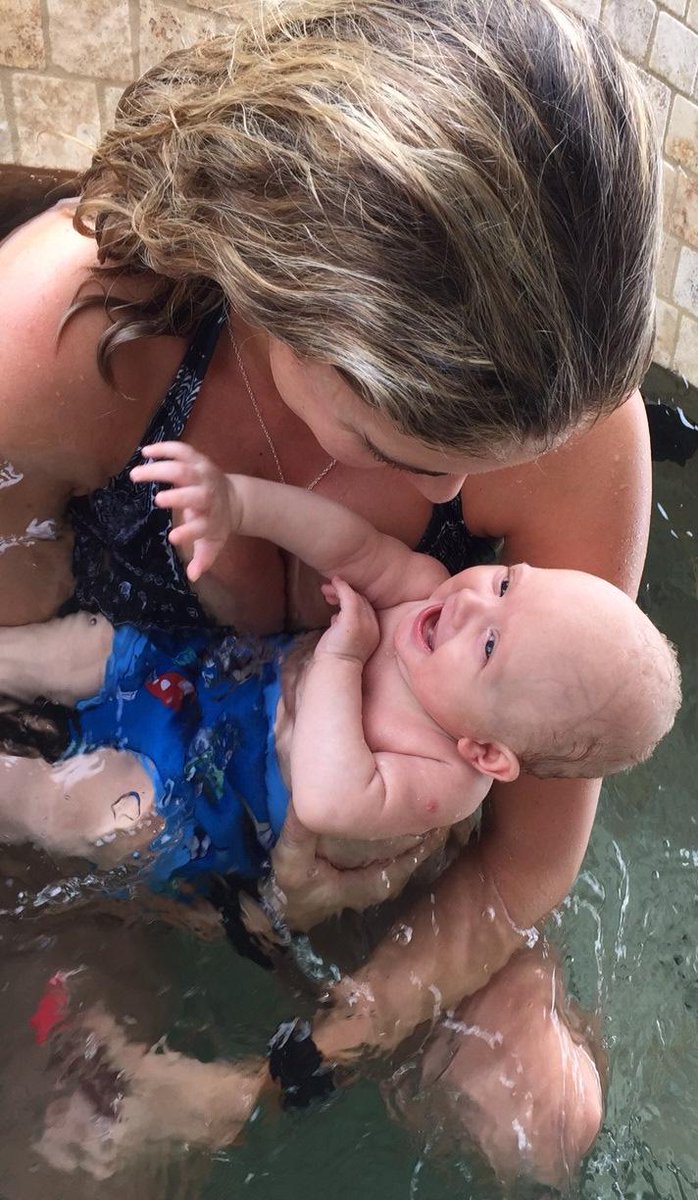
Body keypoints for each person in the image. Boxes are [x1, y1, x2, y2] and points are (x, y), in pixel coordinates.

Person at [0, 0, 661, 1185]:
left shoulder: (567, 415)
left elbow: (525, 854)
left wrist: (296, 1066)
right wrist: (127, 884)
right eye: (410, 447)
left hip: (387, 844)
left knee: (541, 1117)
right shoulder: (65, 340)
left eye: (491, 458)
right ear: (276, 290)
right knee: (68, 1147)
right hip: (119, 796)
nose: (459, 495)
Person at [0, 443, 679, 885]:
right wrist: (240, 503)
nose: (472, 603)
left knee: (103, 812)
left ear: (486, 752)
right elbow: (349, 547)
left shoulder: (444, 776)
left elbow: (327, 797)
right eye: (505, 583)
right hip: (211, 678)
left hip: (212, 794)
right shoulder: (424, 592)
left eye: (491, 647)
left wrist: (344, 655)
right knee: (95, 644)